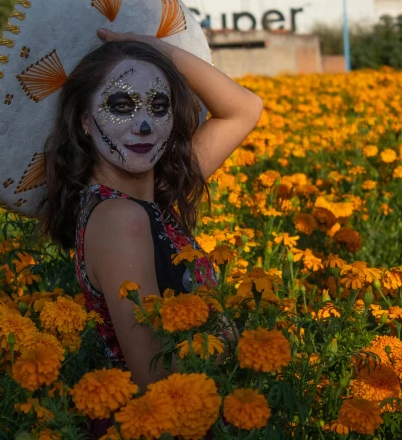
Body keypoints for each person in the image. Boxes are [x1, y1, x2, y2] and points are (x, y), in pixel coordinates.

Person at [39, 28, 264, 392]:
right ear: (84, 121)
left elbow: (244, 110)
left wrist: (154, 48)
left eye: (159, 107)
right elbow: (153, 374)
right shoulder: (120, 218)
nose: (143, 125)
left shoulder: (154, 196)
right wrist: (234, 339)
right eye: (121, 106)